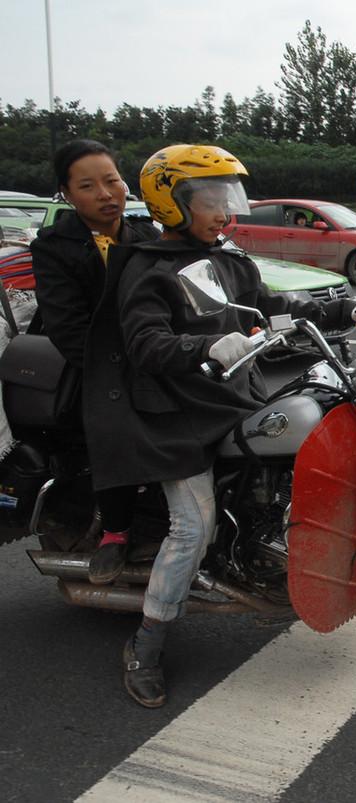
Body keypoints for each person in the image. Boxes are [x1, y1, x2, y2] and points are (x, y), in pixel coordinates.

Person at [116, 144, 356, 707]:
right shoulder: (150, 268)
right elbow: (143, 343)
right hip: (177, 416)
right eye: (210, 198)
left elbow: (267, 309)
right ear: (172, 203)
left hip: (228, 397)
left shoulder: (228, 260)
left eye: (228, 195)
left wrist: (335, 309)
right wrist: (205, 344)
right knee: (192, 525)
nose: (225, 209)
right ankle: (145, 644)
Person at [30, 139, 160, 585]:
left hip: (149, 354)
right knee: (115, 419)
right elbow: (67, 327)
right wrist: (124, 364)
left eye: (112, 181)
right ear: (66, 195)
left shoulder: (147, 236)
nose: (106, 194)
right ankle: (117, 531)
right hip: (93, 364)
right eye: (88, 186)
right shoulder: (53, 246)